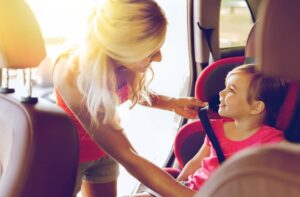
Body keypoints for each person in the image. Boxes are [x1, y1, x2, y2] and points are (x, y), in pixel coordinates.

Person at [52, 0, 205, 196]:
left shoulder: (126, 65)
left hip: (103, 154)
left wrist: (171, 103)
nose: (159, 58)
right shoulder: (71, 72)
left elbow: (130, 91)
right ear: (123, 48)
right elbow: (129, 156)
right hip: (71, 156)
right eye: (150, 52)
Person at [174, 64, 288, 191]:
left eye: (231, 90)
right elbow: (196, 163)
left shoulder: (270, 140)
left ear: (255, 107)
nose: (221, 93)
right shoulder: (215, 128)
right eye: (225, 87)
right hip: (190, 189)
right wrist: (174, 185)